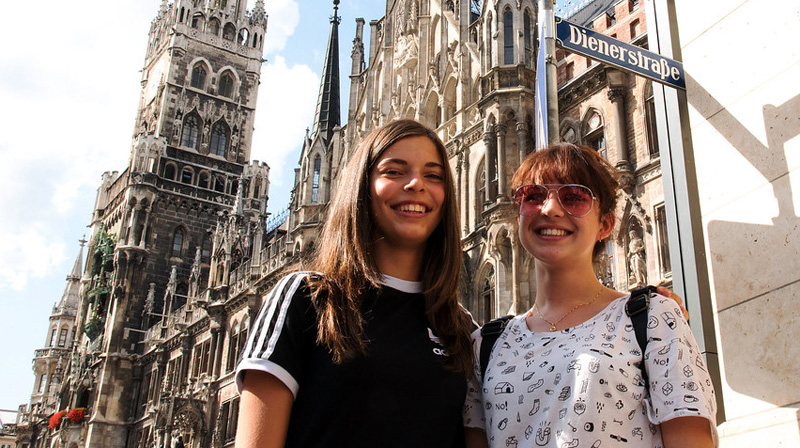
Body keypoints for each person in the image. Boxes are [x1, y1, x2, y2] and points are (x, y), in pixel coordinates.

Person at [234, 119, 475, 448]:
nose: (417, 183)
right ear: (362, 185)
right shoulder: (306, 299)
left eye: (434, 175)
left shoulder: (460, 327)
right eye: (394, 171)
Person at [463, 143, 717, 448]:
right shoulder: (486, 345)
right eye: (533, 197)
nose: (550, 208)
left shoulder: (652, 318)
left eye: (574, 198)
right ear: (518, 214)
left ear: (605, 224)